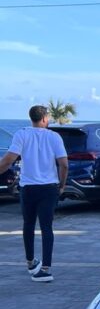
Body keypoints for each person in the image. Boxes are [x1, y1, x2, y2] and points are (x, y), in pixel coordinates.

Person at [0, 104, 68, 282]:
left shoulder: (22, 134)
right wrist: (61, 185)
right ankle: (46, 269)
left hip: (28, 188)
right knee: (47, 227)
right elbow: (64, 164)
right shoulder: (54, 137)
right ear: (45, 118)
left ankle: (31, 263)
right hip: (48, 188)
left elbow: (8, 160)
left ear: (31, 118)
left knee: (28, 224)